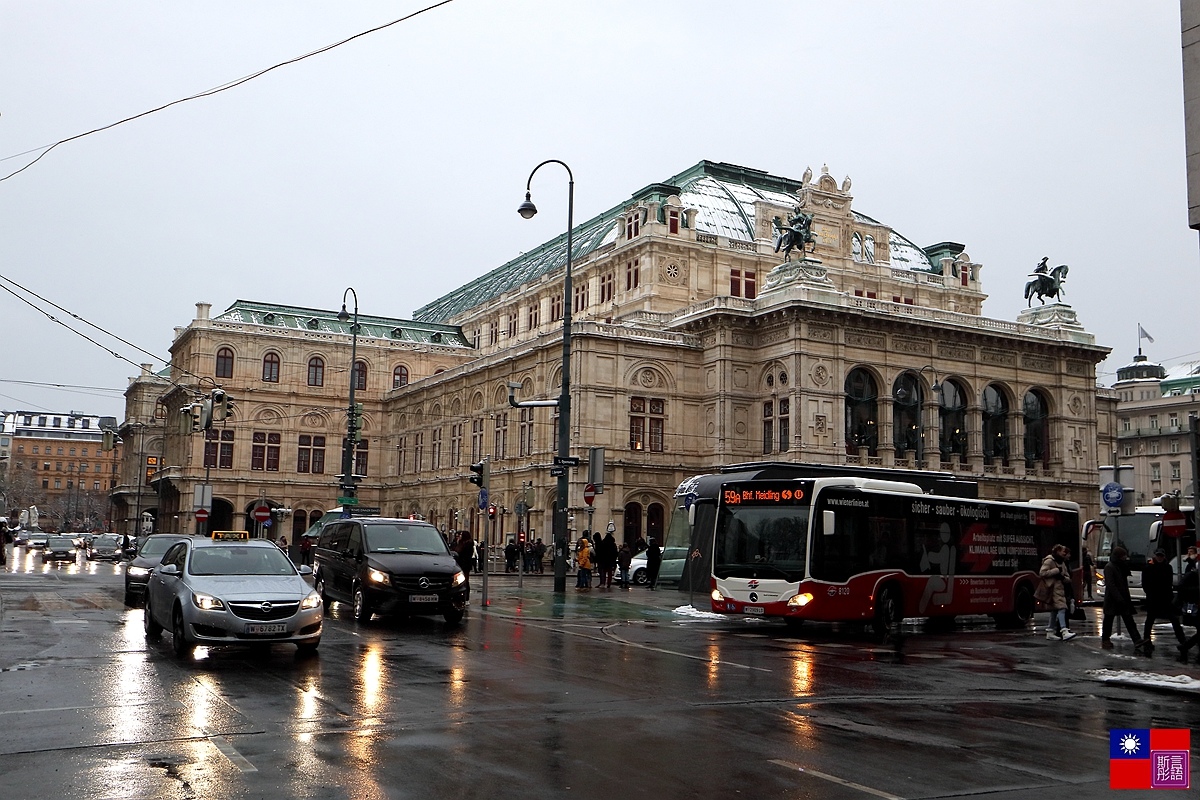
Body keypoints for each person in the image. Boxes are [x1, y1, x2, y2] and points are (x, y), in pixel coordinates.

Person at [1141, 548, 1186, 654]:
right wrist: (1150, 594)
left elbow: (1169, 583)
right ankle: (1147, 641)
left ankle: (1182, 640)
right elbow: (1145, 584)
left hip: (1165, 599)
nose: (1160, 558)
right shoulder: (1148, 568)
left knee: (1174, 620)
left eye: (1161, 556)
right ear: (1155, 556)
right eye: (1158, 556)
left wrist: (1169, 596)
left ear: (1164, 556)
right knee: (1150, 620)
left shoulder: (1168, 567)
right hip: (1153, 598)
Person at [1102, 546, 1147, 651]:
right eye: (1123, 556)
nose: (1125, 558)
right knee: (1108, 620)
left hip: (1122, 597)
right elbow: (1110, 585)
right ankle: (1105, 640)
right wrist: (1119, 598)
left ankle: (1137, 640)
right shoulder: (1110, 567)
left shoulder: (1121, 566)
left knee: (1129, 619)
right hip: (1113, 599)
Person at [1037, 544, 1076, 641]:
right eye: (1063, 551)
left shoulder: (1062, 562)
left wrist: (1063, 578)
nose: (1065, 553)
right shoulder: (1050, 561)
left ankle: (1050, 631)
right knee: (1062, 608)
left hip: (1060, 589)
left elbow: (1068, 578)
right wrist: (1056, 571)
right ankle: (1064, 631)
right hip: (1052, 589)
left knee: (1054, 611)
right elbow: (1042, 573)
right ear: (1057, 551)